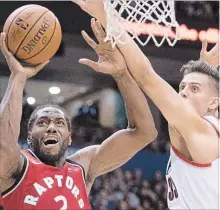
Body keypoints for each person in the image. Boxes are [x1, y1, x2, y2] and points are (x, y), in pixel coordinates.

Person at [71, 1, 219, 209]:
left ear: (214, 102)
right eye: (182, 87)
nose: (183, 92)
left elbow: (146, 76)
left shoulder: (202, 131)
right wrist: (205, 70)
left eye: (194, 89)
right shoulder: (201, 132)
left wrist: (107, 17)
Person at [0, 18, 157, 209]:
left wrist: (122, 74)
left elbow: (144, 133)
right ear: (29, 137)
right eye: (42, 123)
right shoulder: (16, 168)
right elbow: (4, 144)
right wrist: (18, 77)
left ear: (70, 137)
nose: (51, 127)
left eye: (59, 123)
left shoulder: (83, 166)